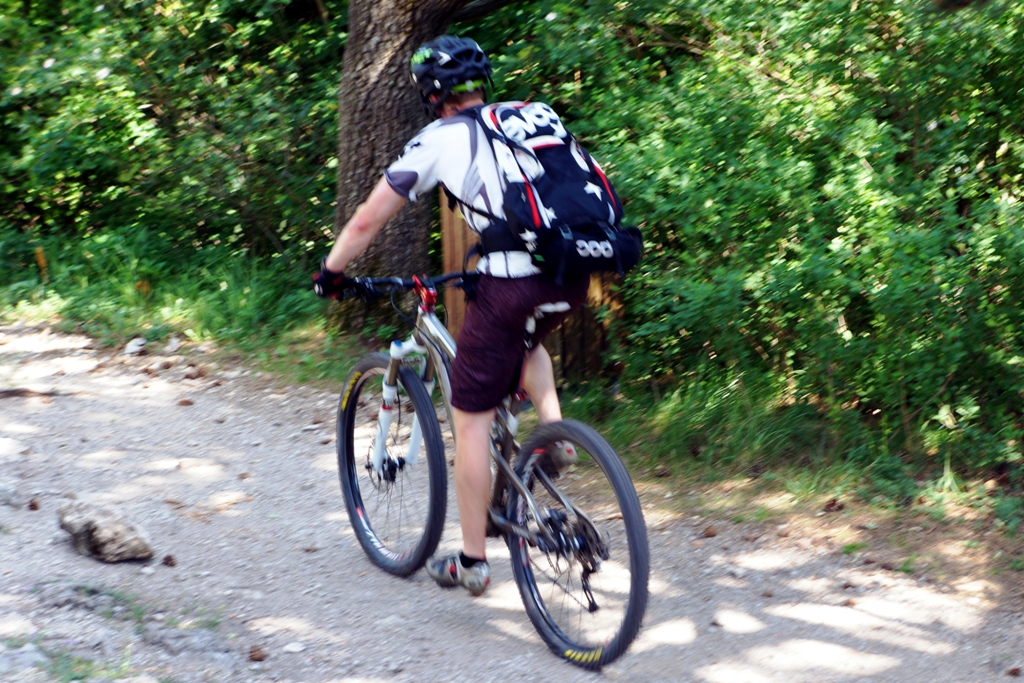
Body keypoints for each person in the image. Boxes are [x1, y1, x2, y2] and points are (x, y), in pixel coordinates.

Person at [313, 35, 591, 596]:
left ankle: (471, 561)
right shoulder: (529, 116)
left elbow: (369, 218)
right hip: (573, 273)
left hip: (512, 281)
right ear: (479, 84)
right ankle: (554, 435)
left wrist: (332, 271)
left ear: (431, 95)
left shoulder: (440, 138)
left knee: (470, 421)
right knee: (527, 343)